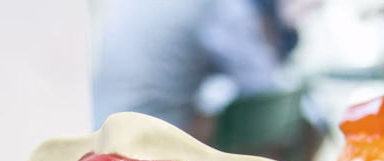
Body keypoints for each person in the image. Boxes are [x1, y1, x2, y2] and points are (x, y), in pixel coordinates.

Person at [91, 0, 291, 138]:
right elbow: (264, 88)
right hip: (153, 148)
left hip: (101, 134)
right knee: (275, 123)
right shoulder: (216, 5)